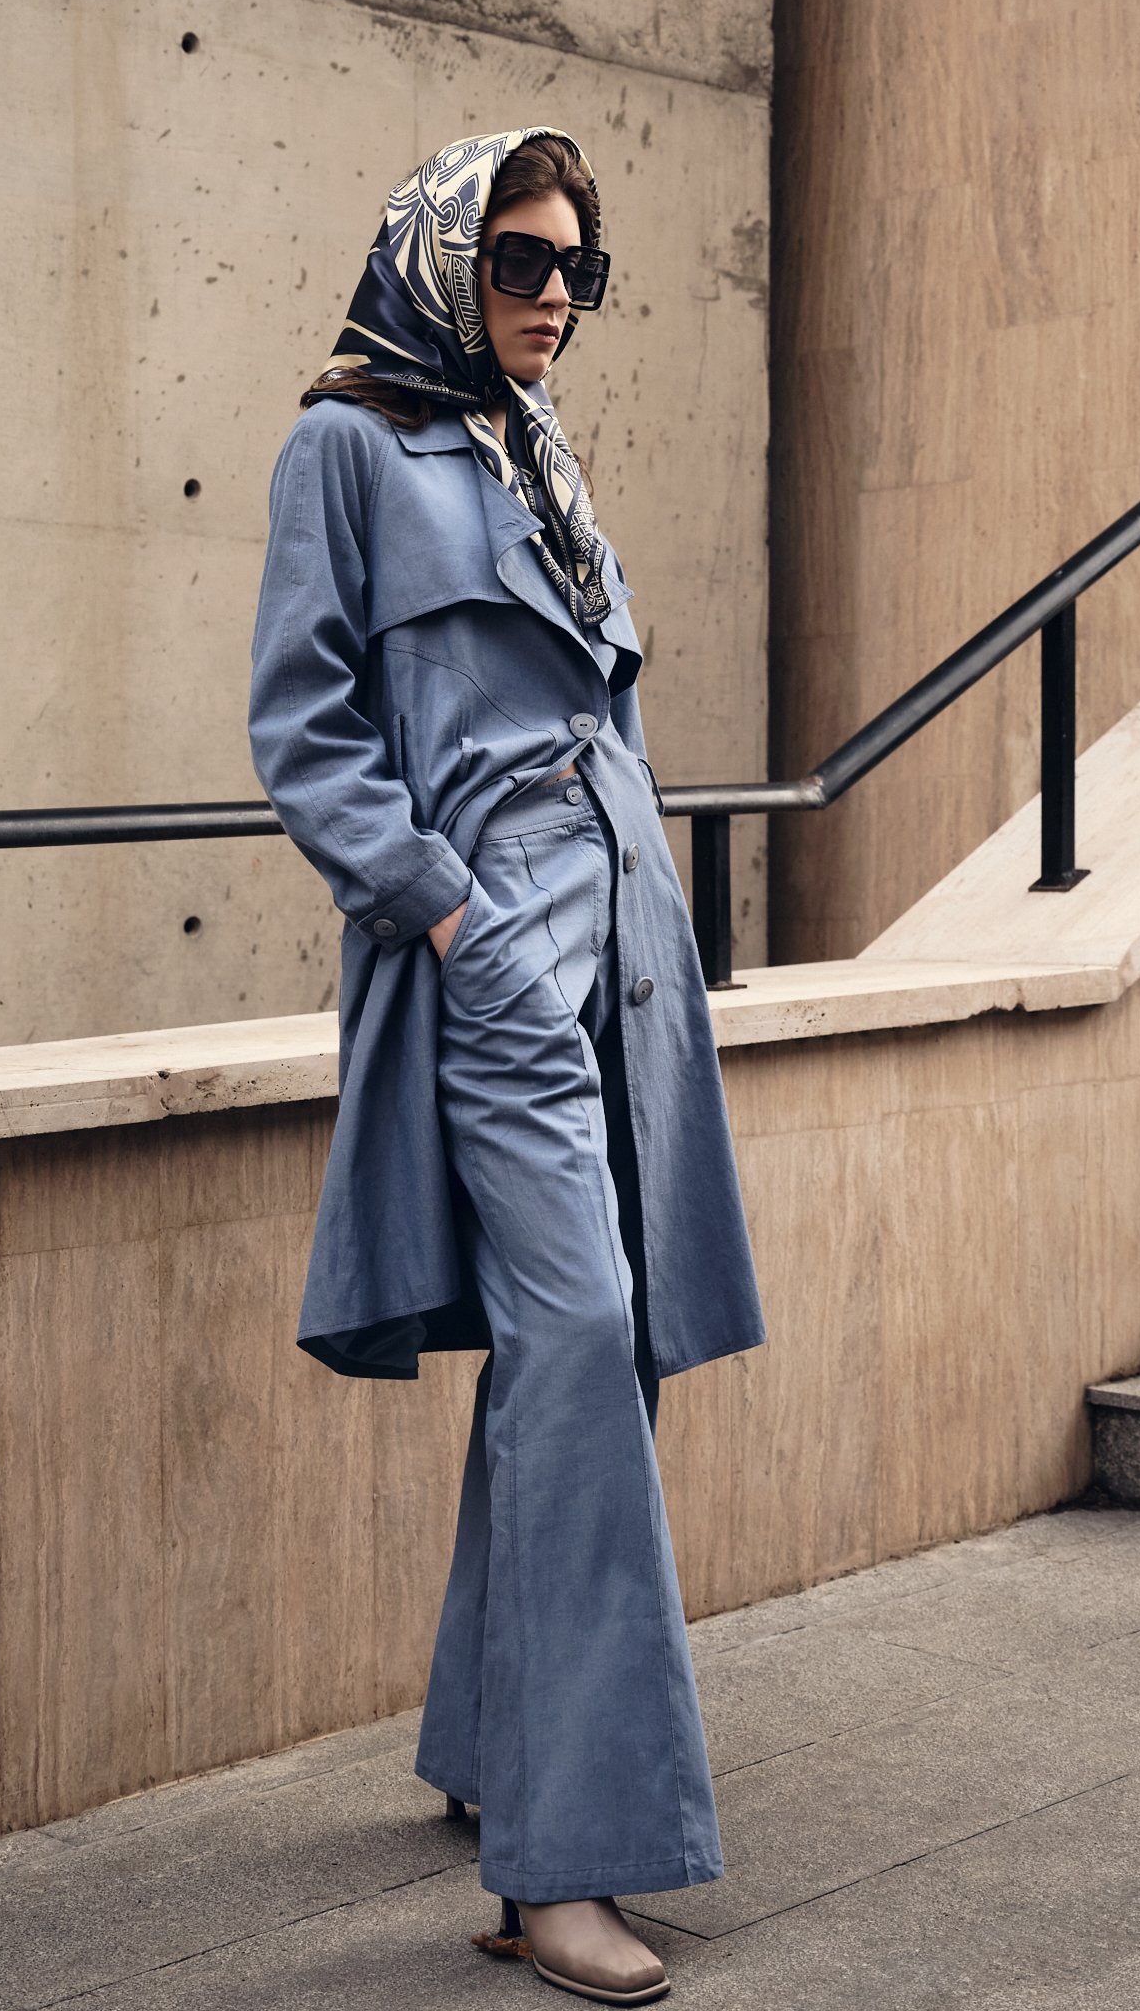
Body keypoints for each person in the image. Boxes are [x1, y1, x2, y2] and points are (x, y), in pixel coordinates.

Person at [247, 126, 768, 2005]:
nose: (554, 298)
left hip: (630, 934)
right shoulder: (347, 446)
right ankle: (564, 1868)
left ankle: (495, 1744)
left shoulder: (530, 446)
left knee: (604, 1348)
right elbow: (304, 726)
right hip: (501, 950)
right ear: (440, 259)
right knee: (579, 1338)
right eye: (521, 262)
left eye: (577, 271)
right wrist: (449, 913)